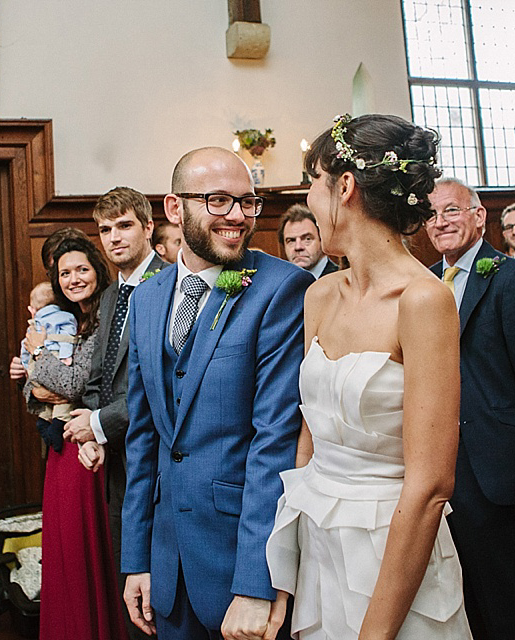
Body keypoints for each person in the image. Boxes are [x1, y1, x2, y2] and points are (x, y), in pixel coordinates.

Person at [266, 113, 471, 639]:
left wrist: (375, 634)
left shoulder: (424, 300)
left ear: (346, 187)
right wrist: (286, 579)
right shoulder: (319, 295)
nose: (309, 198)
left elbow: (429, 485)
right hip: (319, 547)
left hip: (394, 554)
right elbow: (308, 439)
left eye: (314, 182)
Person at [121, 147, 311, 639]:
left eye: (248, 202)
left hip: (238, 559)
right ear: (173, 208)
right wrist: (136, 558)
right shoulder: (146, 298)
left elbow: (276, 443)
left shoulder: (281, 289)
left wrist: (256, 581)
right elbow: (144, 439)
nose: (237, 217)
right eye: (218, 200)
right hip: (167, 563)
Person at [426, 177, 515, 640]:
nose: (440, 222)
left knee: (504, 593)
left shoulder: (511, 278)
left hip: (491, 463)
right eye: (431, 215)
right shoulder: (424, 283)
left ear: (479, 216)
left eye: (451, 210)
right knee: (458, 590)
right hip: (435, 460)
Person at [11, 234, 128, 640]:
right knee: (65, 557)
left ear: (97, 268)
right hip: (60, 450)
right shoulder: (59, 317)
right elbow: (36, 389)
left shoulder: (106, 320)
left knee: (90, 553)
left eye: (81, 269)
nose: (74, 279)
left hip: (89, 450)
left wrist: (38, 359)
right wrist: (33, 375)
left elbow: (75, 382)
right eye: (65, 273)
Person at [64, 186, 167, 640]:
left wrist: (99, 425)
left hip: (160, 462)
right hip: (117, 466)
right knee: (129, 588)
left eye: (124, 226)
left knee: (162, 593)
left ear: (148, 227)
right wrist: (91, 435)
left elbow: (164, 388)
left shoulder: (172, 284)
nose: (113, 238)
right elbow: (97, 378)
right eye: (105, 229)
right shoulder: (110, 296)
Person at [19, 281, 78, 449]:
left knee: (52, 396)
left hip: (36, 365)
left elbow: (26, 343)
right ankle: (58, 424)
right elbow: (68, 337)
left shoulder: (34, 323)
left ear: (32, 309)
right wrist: (67, 356)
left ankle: (44, 419)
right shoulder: (65, 317)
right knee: (63, 401)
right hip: (57, 359)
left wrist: (26, 364)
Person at [276, 204, 339, 278]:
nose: (298, 247)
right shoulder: (281, 283)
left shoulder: (342, 280)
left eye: (307, 239)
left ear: (322, 240)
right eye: (291, 241)